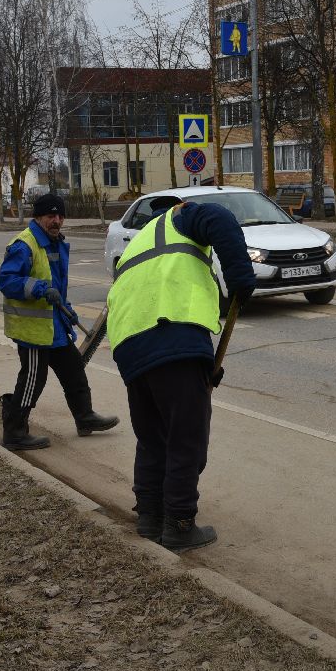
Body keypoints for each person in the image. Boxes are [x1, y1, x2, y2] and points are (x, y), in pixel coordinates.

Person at [106, 194, 255, 551]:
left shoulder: (137, 243)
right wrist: (239, 275)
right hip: (171, 332)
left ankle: (150, 516)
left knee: (153, 437)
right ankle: (179, 524)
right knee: (187, 438)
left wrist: (201, 365)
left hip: (130, 347)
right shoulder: (180, 217)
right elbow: (218, 217)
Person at [0, 192, 120, 451]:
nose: (57, 221)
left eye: (60, 216)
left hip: (55, 326)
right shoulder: (24, 245)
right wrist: (40, 288)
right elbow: (6, 281)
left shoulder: (57, 243)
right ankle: (15, 431)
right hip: (32, 331)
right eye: (51, 216)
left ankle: (85, 418)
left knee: (74, 370)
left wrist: (67, 310)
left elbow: (57, 288)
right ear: (39, 217)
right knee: (33, 379)